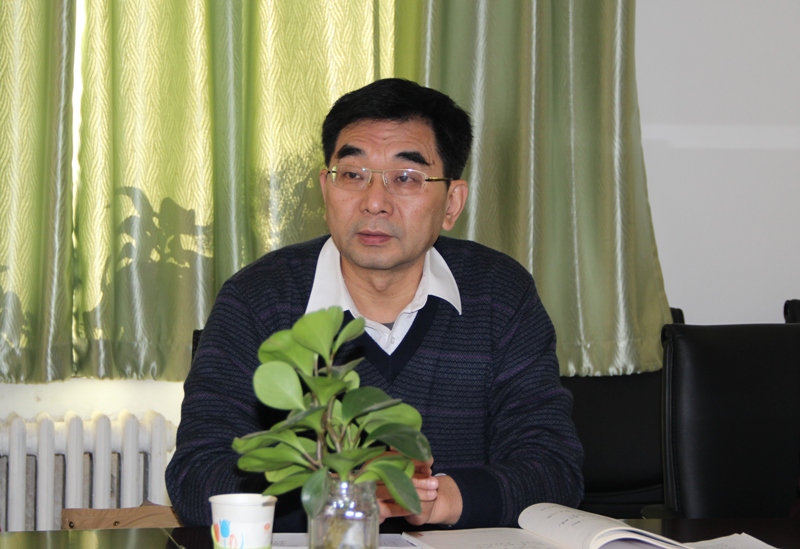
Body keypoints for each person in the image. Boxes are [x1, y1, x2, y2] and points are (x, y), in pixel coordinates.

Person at [166, 78, 583, 531]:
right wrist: (343, 497)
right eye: (352, 175)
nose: (375, 202)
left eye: (405, 178)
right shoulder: (257, 298)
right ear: (325, 188)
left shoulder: (501, 294)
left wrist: (437, 500)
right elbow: (197, 476)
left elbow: (552, 467)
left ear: (452, 203)